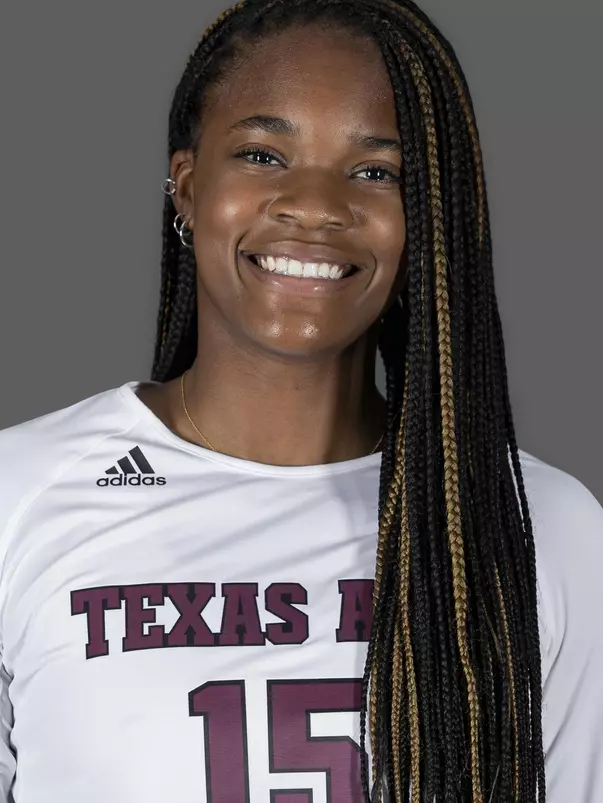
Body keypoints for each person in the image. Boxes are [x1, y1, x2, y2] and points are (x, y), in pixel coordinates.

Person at [0, 0, 601, 800]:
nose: (315, 205)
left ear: (425, 217)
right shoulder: (18, 494)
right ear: (185, 185)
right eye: (262, 154)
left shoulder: (539, 525)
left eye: (376, 171)